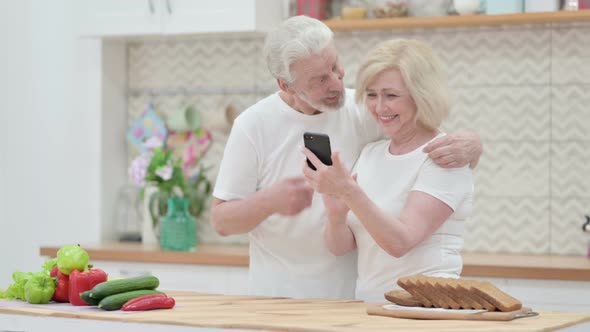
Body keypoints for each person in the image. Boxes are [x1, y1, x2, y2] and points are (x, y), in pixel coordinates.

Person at [211, 16, 481, 299]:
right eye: (320, 79)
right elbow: (221, 221)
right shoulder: (252, 126)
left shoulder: (364, 110)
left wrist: (473, 145)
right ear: (286, 85)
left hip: (352, 300)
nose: (336, 83)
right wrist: (271, 201)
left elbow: (424, 137)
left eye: (335, 66)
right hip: (278, 295)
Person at [302, 39, 474, 302]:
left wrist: (350, 192)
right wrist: (336, 214)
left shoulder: (443, 157)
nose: (379, 107)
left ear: (422, 95)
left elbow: (400, 242)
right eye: (371, 94)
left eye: (391, 95)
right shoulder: (371, 154)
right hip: (372, 307)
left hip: (428, 308)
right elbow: (341, 248)